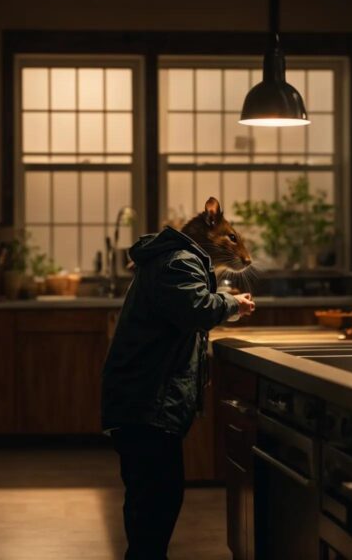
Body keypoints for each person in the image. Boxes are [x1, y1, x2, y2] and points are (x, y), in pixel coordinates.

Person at [102, 198, 255, 560]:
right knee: (156, 498)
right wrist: (231, 304)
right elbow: (196, 309)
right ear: (207, 223)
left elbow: (190, 307)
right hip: (146, 403)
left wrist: (224, 301)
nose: (242, 253)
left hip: (143, 402)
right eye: (231, 239)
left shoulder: (177, 260)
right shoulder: (179, 262)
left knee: (154, 497)